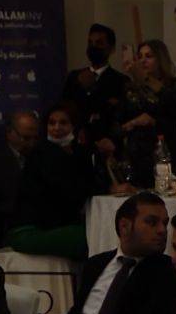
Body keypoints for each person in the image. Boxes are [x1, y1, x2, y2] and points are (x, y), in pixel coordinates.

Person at [6, 103, 105, 261]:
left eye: (63, 123)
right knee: (95, 236)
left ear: (74, 126)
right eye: (52, 123)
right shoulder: (42, 153)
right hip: (30, 229)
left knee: (100, 231)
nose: (56, 128)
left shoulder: (78, 152)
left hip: (53, 226)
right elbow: (69, 192)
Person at [118, 39, 176, 188]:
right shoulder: (131, 89)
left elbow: (172, 107)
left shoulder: (175, 84)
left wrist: (146, 78)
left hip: (165, 154)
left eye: (148, 56)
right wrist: (134, 122)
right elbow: (121, 121)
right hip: (136, 156)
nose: (143, 61)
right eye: (140, 57)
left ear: (160, 59)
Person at [60, 23, 130, 147]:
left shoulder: (120, 81)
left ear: (111, 48)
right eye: (90, 43)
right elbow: (65, 109)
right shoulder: (74, 77)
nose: (93, 47)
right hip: (75, 145)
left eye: (99, 43)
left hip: (106, 144)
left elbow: (120, 116)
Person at [0, 111, 39, 226]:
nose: (31, 144)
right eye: (26, 138)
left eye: (35, 138)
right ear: (9, 133)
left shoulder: (40, 157)